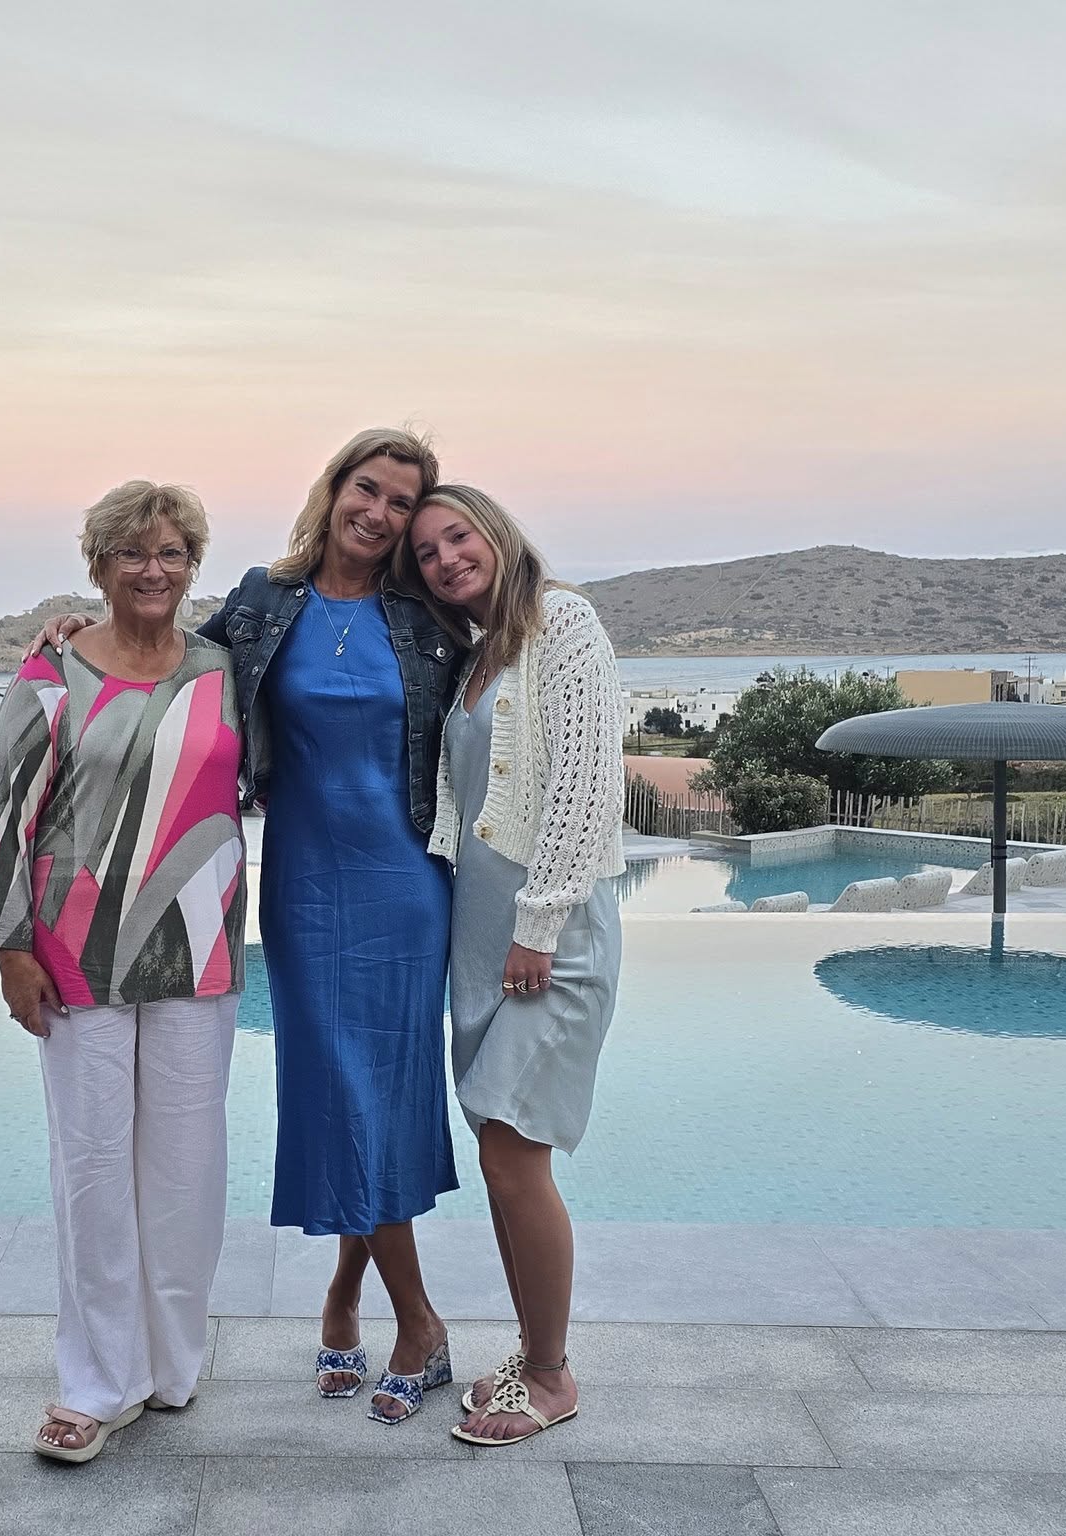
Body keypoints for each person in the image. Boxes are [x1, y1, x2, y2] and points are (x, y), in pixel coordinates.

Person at [34, 427, 466, 1423]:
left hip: (404, 883)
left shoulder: (428, 616)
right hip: (304, 884)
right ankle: (358, 1300)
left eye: (402, 502)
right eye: (368, 489)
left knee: (383, 1097)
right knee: (335, 1091)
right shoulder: (263, 605)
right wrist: (72, 633)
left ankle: (401, 1316)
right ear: (335, 488)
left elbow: (493, 695)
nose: (381, 513)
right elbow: (159, 659)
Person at [0, 480, 246, 1463]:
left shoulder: (222, 670)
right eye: (132, 553)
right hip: (74, 953)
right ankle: (95, 1381)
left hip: (198, 948)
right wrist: (9, 950)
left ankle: (171, 1367)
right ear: (98, 564)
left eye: (170, 553)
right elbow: (4, 816)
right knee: (93, 1172)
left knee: (184, 1174)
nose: (151, 570)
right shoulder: (51, 674)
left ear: (190, 564)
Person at [397, 484, 625, 1447]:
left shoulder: (562, 622)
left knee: (510, 1153)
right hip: (485, 943)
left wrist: (539, 923)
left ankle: (550, 1373)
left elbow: (585, 786)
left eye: (458, 537)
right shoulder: (478, 651)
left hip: (550, 940)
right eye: (427, 554)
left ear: (495, 531)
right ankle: (536, 1346)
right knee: (501, 1155)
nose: (447, 559)